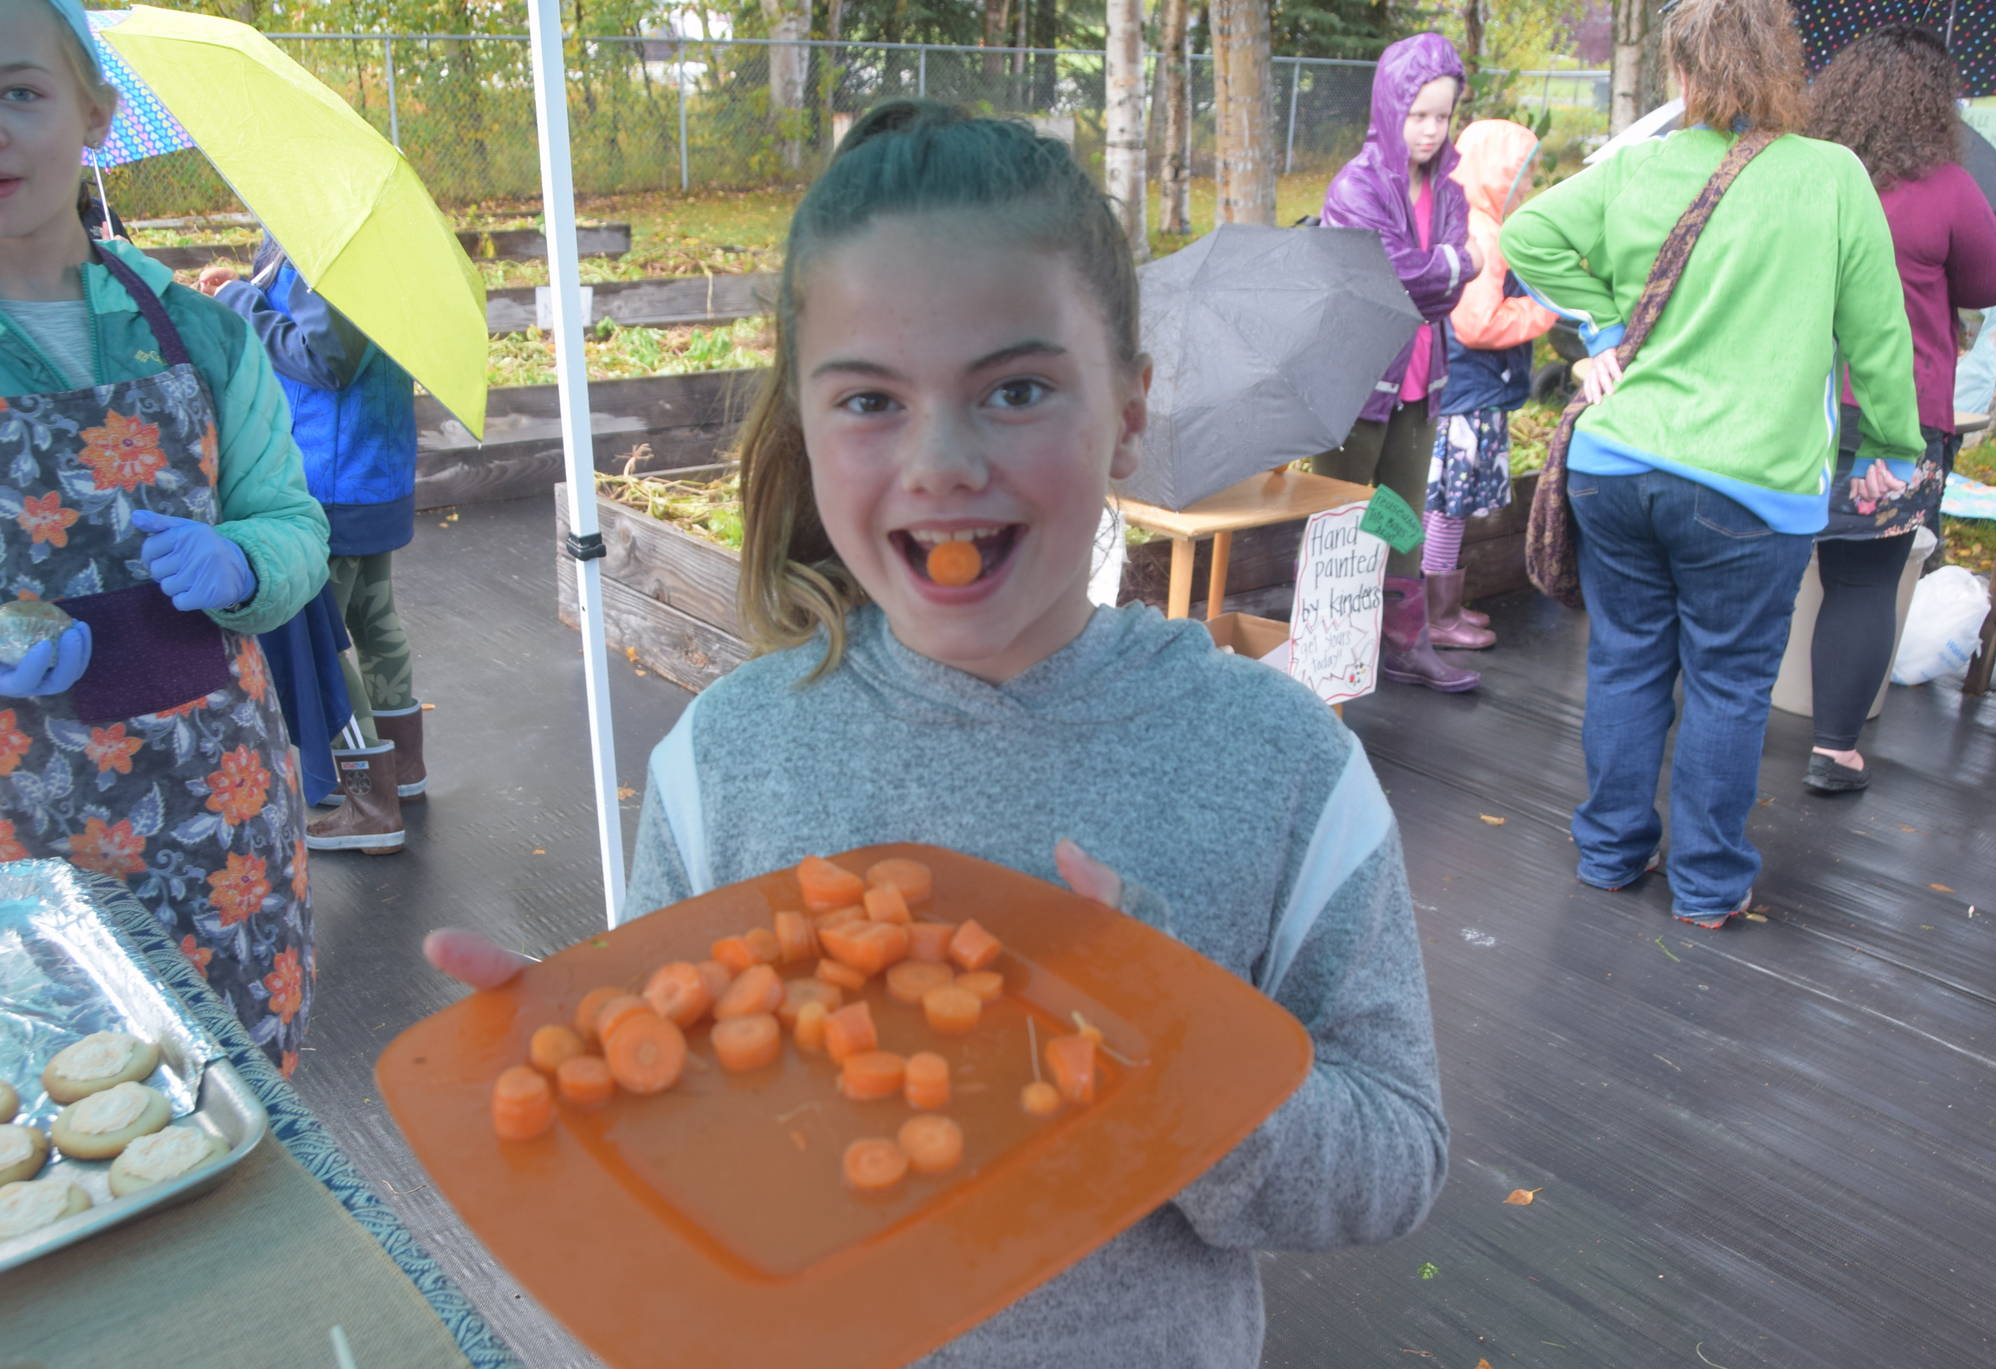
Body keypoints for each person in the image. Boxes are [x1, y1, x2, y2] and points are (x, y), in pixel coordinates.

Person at [426, 100, 1448, 1365]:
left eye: (1014, 388)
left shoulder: (1282, 765)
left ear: (1129, 407)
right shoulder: (729, 757)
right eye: (869, 401)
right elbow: (692, 1143)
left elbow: (1394, 1153)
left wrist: (1179, 1060)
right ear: (802, 419)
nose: (942, 459)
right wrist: (592, 1090)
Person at [1500, 0, 1920, 928]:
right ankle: (1707, 883)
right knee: (1729, 684)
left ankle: (1609, 853)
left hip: (1616, 466)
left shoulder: (1639, 164)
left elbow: (1526, 233)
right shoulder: (1832, 176)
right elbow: (1879, 333)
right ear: (1784, 67)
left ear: (1683, 74)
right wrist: (1893, 443)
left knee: (1624, 664)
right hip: (1750, 487)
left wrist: (1601, 330)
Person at [0, 0, 329, 1070]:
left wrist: (246, 561)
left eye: (22, 93)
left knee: (249, 1094)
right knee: (78, 1102)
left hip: (219, 808)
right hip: (25, 824)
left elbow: (291, 521)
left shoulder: (201, 330)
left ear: (95, 114)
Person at [1799, 25, 1996, 793]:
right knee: (1863, 580)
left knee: (1763, 568)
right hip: (1900, 417)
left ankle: (1712, 714)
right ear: (1932, 105)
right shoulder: (1948, 187)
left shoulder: (1806, 172)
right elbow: (1992, 283)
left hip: (1797, 402)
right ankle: (1834, 751)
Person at [198, 240, 426, 851]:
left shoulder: (322, 249)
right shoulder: (365, 246)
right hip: (372, 469)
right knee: (373, 620)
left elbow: (326, 358)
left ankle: (368, 802)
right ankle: (399, 770)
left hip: (332, 477)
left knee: (320, 640)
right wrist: (251, 286)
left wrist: (237, 299)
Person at [1317, 32, 1482, 692]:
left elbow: (1443, 281)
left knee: (1401, 515)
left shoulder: (1448, 193)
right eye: (1418, 115)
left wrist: (1443, 270)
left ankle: (1403, 640)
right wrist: (1449, 266)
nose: (1430, 130)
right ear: (1390, 109)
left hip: (1419, 382)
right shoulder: (1356, 187)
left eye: (1442, 117)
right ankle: (1329, 648)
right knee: (1342, 517)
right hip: (1356, 384)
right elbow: (1404, 276)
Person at [1424, 118, 1558, 653]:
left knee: (1448, 504)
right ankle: (1437, 616)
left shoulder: (1465, 219)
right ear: (1494, 174)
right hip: (1470, 394)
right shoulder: (1483, 232)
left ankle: (1442, 608)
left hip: (1467, 391)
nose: (1526, 187)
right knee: (1449, 505)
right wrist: (1541, 310)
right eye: (1520, 174)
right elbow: (1476, 325)